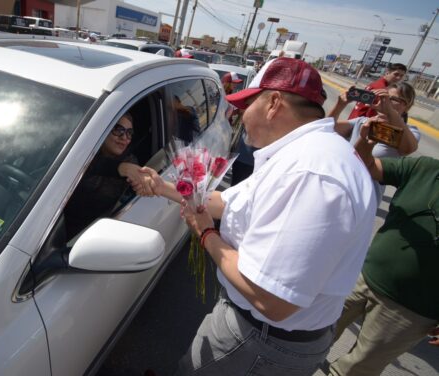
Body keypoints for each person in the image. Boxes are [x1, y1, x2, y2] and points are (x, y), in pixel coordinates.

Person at [143, 57, 377, 375]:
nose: (241, 115)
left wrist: (206, 234)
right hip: (263, 335)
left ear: (273, 103)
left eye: (247, 104)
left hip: (261, 343)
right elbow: (228, 202)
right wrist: (162, 187)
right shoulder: (304, 155)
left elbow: (272, 300)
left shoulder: (309, 174)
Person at [327, 120, 439, 376]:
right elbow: (367, 167)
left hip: (412, 310)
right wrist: (365, 145)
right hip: (360, 279)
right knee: (312, 336)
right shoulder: (425, 169)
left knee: (356, 368)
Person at [63, 113, 150, 240]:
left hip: (90, 236)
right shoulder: (83, 154)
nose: (124, 138)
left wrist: (137, 185)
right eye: (118, 130)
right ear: (104, 130)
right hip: (56, 226)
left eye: (129, 133)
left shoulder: (130, 161)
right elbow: (79, 167)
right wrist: (118, 168)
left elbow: (134, 183)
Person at [329, 82, 420, 200]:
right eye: (383, 97)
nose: (385, 101)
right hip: (339, 188)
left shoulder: (409, 132)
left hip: (365, 198)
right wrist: (340, 104)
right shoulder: (362, 121)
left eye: (392, 99)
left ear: (406, 106)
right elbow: (326, 128)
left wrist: (390, 113)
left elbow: (408, 148)